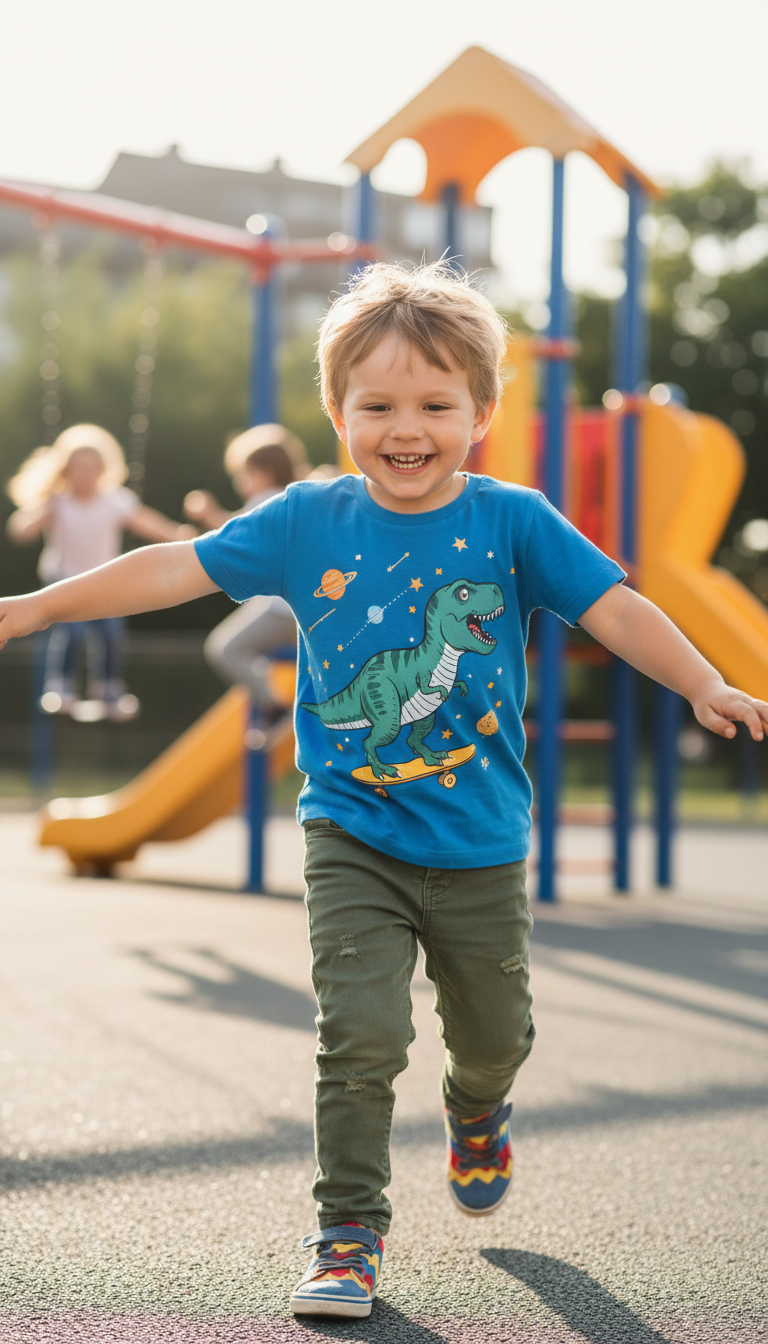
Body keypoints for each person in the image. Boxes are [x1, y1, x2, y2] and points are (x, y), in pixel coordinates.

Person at [0, 262, 765, 1320]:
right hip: (352, 828)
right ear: (339, 412)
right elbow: (174, 567)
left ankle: (478, 1106)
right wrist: (38, 608)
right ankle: (348, 1231)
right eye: (380, 407)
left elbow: (618, 610)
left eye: (435, 406)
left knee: (493, 1034)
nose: (407, 428)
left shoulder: (515, 522)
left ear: (481, 412)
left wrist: (703, 681)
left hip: (482, 840)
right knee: (359, 1033)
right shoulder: (307, 519)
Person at [6, 423, 192, 720]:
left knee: (110, 634)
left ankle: (107, 688)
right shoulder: (57, 502)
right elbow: (20, 530)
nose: (85, 474)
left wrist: (178, 534)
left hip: (106, 580)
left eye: (93, 467)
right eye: (78, 468)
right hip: (62, 578)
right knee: (73, 631)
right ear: (65, 471)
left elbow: (147, 522)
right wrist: (36, 515)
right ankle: (62, 686)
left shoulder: (115, 500)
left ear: (105, 469)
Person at [183, 424, 307, 725]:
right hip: (306, 605)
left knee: (224, 648)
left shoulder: (265, 501)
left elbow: (233, 535)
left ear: (263, 472)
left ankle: (272, 706)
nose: (240, 481)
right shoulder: (298, 499)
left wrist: (207, 512)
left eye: (244, 473)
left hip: (282, 610)